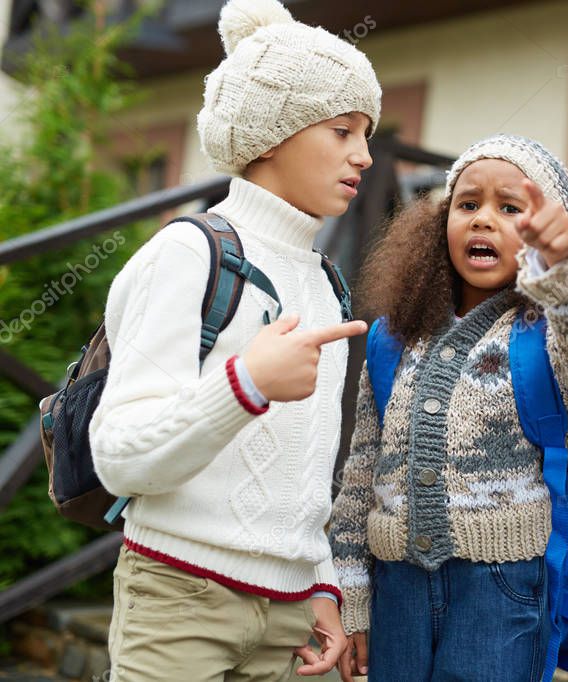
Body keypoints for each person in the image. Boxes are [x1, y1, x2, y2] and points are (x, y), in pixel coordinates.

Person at [89, 0, 380, 678]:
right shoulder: (188, 255)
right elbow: (118, 458)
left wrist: (322, 584)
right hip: (177, 595)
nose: (363, 154)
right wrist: (245, 384)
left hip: (290, 617)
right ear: (269, 135)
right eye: (341, 130)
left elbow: (305, 473)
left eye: (365, 132)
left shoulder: (324, 281)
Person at [329, 134, 568, 681]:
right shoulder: (392, 338)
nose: (483, 219)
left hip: (503, 587)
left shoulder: (551, 339)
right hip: (395, 587)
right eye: (468, 204)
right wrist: (352, 591)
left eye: (510, 208)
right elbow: (360, 473)